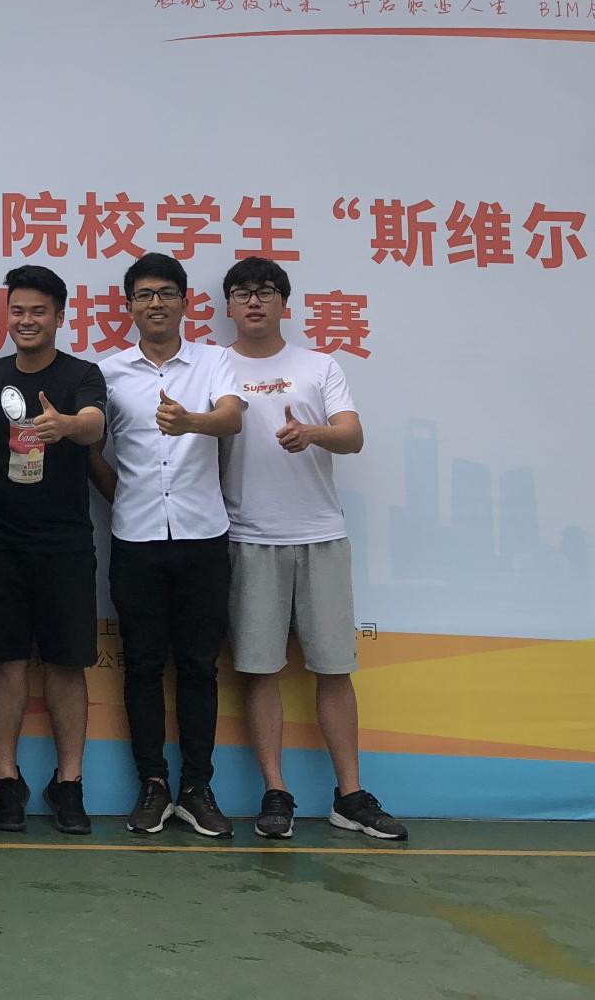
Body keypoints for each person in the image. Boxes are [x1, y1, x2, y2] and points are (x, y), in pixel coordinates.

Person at [220, 257, 408, 842]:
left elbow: (352, 436)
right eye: (242, 293)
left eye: (265, 292)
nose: (254, 302)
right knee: (260, 669)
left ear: (285, 303)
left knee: (333, 668)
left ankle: (350, 795)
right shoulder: (213, 366)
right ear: (228, 306)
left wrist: (311, 433)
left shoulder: (319, 365)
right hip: (248, 535)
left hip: (321, 533)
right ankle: (275, 792)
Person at [101, 253, 244, 839]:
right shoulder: (108, 372)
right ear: (130, 306)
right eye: (143, 294)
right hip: (135, 537)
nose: (154, 303)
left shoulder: (214, 361)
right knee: (141, 665)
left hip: (202, 536)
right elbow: (91, 450)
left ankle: (197, 789)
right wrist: (123, 495)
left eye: (165, 293)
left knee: (199, 666)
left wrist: (192, 422)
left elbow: (231, 419)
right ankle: (153, 785)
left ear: (186, 302)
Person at [0, 265, 107, 835]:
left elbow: (94, 424)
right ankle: (7, 781)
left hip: (64, 541)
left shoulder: (82, 373)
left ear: (59, 316)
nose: (26, 320)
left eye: (38, 311)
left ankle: (69, 783)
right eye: (18, 311)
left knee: (66, 662)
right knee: (4, 661)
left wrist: (68, 424)